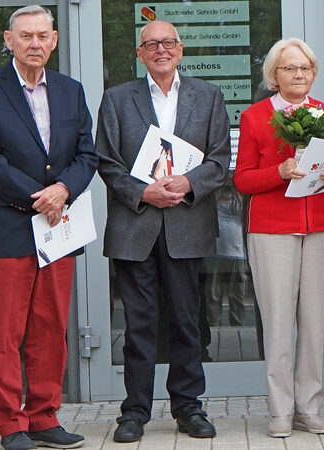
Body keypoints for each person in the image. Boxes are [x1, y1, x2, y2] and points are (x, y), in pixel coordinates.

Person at [0, 5, 97, 450]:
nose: (35, 43)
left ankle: (44, 418)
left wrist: (63, 189)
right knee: (6, 334)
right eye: (26, 36)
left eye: (43, 36)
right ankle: (10, 425)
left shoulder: (71, 90)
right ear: (8, 39)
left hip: (57, 229)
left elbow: (86, 155)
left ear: (54, 40)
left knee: (51, 329)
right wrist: (42, 197)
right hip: (7, 227)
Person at [95, 20, 230, 442]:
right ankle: (134, 412)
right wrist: (143, 192)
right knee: (138, 326)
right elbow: (106, 162)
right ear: (139, 54)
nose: (160, 50)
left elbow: (219, 159)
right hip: (135, 226)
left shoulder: (208, 97)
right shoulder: (117, 99)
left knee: (187, 323)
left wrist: (188, 184)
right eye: (151, 44)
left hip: (187, 225)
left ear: (180, 49)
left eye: (168, 43)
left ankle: (189, 407)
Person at [233, 38, 324, 438]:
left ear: (314, 73)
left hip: (322, 226)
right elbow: (242, 179)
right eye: (290, 68)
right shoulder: (254, 117)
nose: (299, 74)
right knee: (279, 323)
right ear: (274, 75)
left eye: (305, 68)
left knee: (315, 322)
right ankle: (280, 408)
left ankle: (309, 406)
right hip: (272, 229)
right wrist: (279, 172)